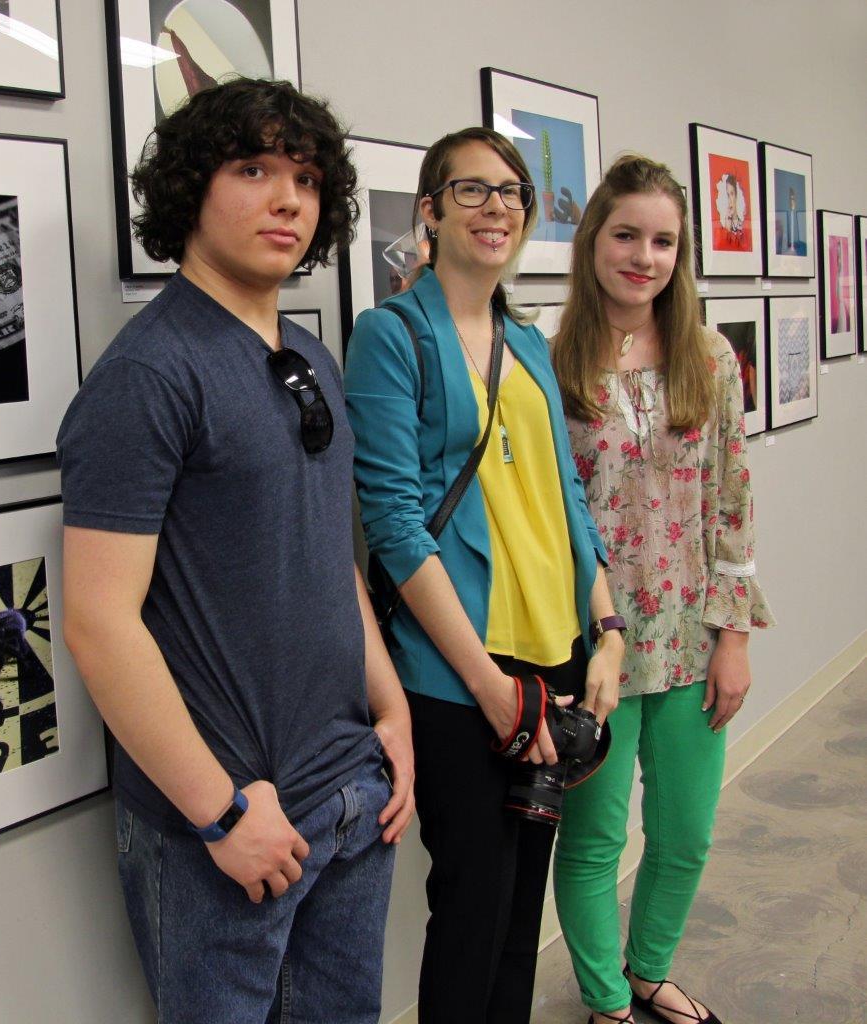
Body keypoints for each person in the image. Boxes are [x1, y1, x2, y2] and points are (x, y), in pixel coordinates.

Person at [57, 78, 414, 1024]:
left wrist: (391, 709)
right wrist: (219, 812)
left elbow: (326, 551)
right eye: (252, 169)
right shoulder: (149, 374)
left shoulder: (311, 356)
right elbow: (98, 622)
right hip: (230, 822)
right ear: (191, 190)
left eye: (303, 177)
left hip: (348, 796)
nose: (286, 198)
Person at [345, 126, 624, 1024]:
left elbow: (566, 494)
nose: (497, 206)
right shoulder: (391, 336)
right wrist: (489, 688)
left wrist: (608, 627)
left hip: (555, 658)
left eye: (512, 192)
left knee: (518, 914)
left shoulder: (527, 340)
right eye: (472, 190)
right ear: (429, 211)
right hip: (460, 673)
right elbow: (391, 524)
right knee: (470, 907)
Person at [551, 154, 775, 1024]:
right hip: (594, 645)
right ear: (594, 240)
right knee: (595, 842)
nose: (644, 256)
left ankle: (649, 969)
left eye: (664, 242)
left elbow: (732, 500)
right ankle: (607, 1001)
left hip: (692, 638)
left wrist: (737, 637)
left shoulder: (708, 355)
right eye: (627, 235)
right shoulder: (544, 358)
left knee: (684, 834)